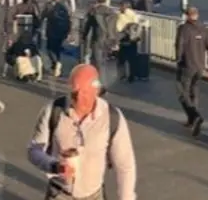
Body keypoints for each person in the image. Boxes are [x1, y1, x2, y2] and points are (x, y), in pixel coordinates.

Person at [27, 64, 137, 200]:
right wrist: (54, 166)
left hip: (94, 195)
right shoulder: (53, 111)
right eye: (74, 93)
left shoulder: (111, 117)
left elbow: (125, 166)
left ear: (96, 90)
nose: (78, 98)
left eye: (84, 92)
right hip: (59, 193)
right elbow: (34, 151)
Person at [175, 6, 208, 137]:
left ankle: (195, 116)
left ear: (187, 16)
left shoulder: (183, 29)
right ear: (197, 15)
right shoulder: (204, 28)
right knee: (194, 90)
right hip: (200, 67)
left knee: (182, 92)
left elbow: (179, 45)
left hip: (187, 65)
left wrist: (178, 59)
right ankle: (192, 120)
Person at [83, 0, 119, 85]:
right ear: (107, 0)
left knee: (96, 62)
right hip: (108, 40)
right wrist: (115, 42)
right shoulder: (113, 12)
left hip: (97, 39)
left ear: (97, 0)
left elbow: (87, 26)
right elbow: (114, 29)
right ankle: (101, 82)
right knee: (103, 62)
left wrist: (84, 36)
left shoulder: (93, 11)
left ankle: (98, 82)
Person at [43, 0, 72, 77]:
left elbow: (44, 14)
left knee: (53, 49)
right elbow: (44, 14)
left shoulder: (58, 4)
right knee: (53, 49)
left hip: (56, 30)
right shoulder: (58, 3)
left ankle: (56, 64)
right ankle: (56, 64)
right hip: (56, 30)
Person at [116, 0, 139, 83]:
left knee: (121, 59)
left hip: (123, 39)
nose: (119, 8)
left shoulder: (119, 15)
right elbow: (136, 25)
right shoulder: (134, 14)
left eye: (120, 7)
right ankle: (132, 76)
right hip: (132, 39)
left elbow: (117, 28)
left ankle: (122, 76)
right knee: (132, 59)